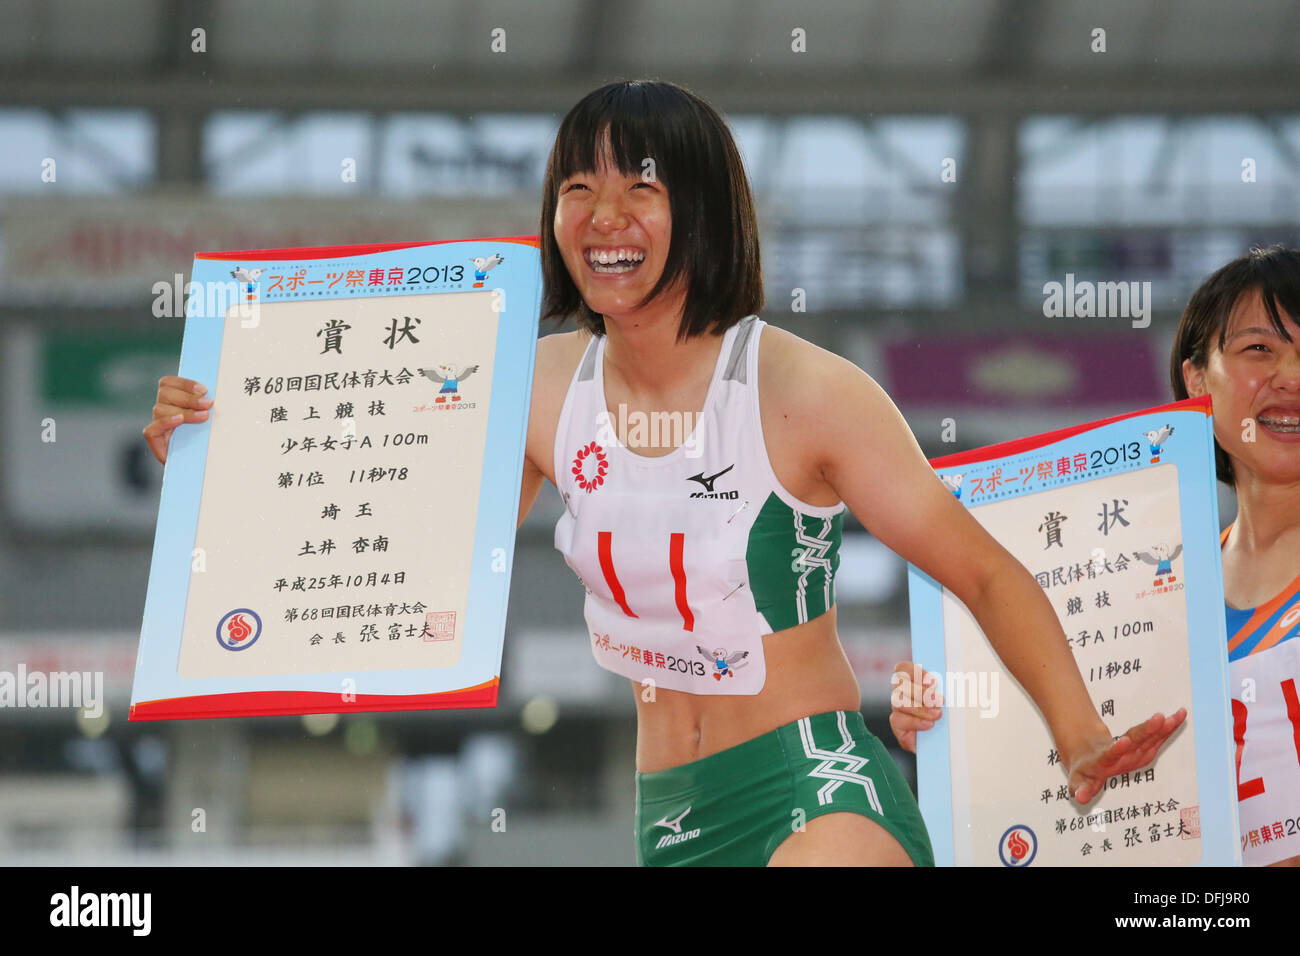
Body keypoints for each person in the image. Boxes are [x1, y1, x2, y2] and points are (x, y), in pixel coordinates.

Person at [145, 79, 1184, 867]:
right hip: (668, 812)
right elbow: (415, 551)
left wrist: (1078, 729)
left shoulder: (805, 390)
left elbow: (987, 570)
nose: (604, 215)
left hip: (813, 790)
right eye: (578, 186)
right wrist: (211, 448)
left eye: (640, 185)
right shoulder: (535, 384)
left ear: (704, 210)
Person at [891, 245, 1300, 867]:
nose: (1291, 376)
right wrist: (955, 729)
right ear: (1197, 381)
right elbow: (1090, 765)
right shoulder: (1149, 599)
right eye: (1259, 349)